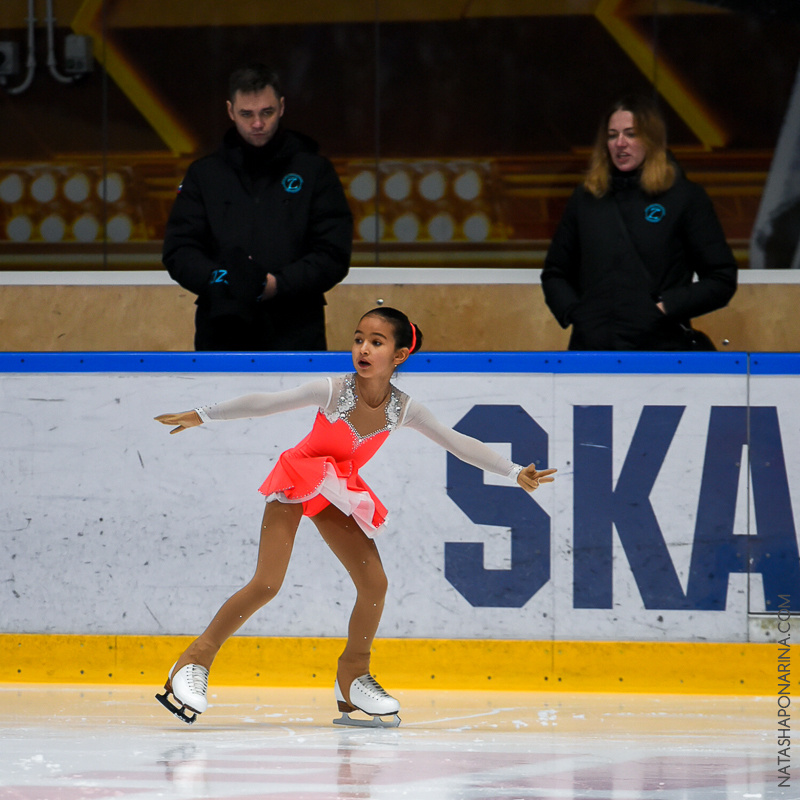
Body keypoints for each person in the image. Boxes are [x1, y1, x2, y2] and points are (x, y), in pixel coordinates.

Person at [154, 307, 556, 727]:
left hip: (335, 489)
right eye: (358, 338)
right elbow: (268, 403)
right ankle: (193, 660)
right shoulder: (334, 390)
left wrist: (513, 472)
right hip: (298, 477)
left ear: (398, 356)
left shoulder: (403, 408)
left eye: (376, 342)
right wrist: (203, 414)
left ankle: (353, 675)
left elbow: (457, 442)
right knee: (268, 583)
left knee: (374, 582)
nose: (363, 348)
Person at [162, 63, 353, 351]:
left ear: (282, 107)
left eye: (267, 112)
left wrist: (279, 284)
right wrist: (222, 279)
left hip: (297, 330)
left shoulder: (314, 172)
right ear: (230, 111)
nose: (257, 124)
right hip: (221, 330)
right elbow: (179, 249)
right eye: (246, 114)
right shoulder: (204, 175)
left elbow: (333, 252)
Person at [541, 94, 737, 351]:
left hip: (660, 353)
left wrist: (666, 306)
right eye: (612, 135)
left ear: (651, 140)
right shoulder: (586, 198)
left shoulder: (684, 197)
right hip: (592, 354)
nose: (620, 143)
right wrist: (577, 314)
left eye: (630, 134)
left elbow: (721, 278)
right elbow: (555, 273)